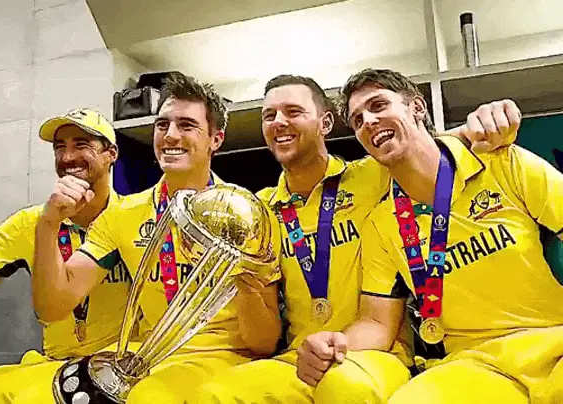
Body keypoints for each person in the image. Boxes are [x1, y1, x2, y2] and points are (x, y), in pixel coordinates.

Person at [193, 74, 522, 403]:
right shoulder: (261, 211)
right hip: (301, 359)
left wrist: (487, 124)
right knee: (215, 395)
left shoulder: (372, 175)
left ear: (325, 123)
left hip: (375, 353)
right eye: (269, 115)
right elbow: (261, 327)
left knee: (346, 387)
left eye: (293, 111)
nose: (279, 122)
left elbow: (424, 147)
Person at [9, 72, 282, 404]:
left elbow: (264, 343)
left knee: (151, 397)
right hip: (151, 356)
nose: (171, 135)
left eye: (187, 125)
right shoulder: (124, 214)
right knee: (22, 397)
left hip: (226, 357)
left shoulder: (248, 217)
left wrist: (247, 286)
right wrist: (48, 225)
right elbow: (53, 306)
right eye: (162, 125)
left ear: (216, 139)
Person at [336, 67, 563, 404]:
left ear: (417, 107)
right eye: (357, 120)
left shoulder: (503, 163)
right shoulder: (382, 225)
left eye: (378, 105)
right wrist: (335, 345)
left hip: (553, 344)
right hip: (474, 364)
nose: (367, 121)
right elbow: (377, 323)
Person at [0, 109, 130, 404]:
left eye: (81, 145)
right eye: (60, 147)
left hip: (117, 367)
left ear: (111, 154)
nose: (67, 157)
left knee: (2, 395)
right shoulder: (30, 223)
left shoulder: (134, 218)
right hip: (53, 365)